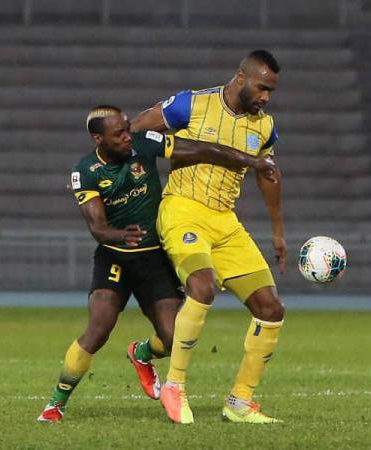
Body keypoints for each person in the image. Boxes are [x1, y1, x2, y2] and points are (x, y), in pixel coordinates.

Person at [37, 105, 277, 422]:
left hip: (152, 258)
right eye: (119, 133)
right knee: (98, 330)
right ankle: (56, 404)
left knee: (172, 338)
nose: (127, 137)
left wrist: (251, 160)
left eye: (127, 128)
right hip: (116, 258)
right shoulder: (86, 171)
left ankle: (141, 353)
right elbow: (96, 227)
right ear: (98, 138)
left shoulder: (145, 142)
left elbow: (201, 149)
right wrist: (118, 234)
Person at [129, 50, 286, 424]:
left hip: (225, 222)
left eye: (271, 91)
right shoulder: (190, 105)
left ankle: (240, 402)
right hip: (183, 209)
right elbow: (135, 130)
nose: (265, 97)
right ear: (241, 78)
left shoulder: (265, 128)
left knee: (271, 310)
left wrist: (278, 231)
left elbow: (268, 174)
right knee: (202, 286)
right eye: (262, 87)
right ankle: (175, 386)